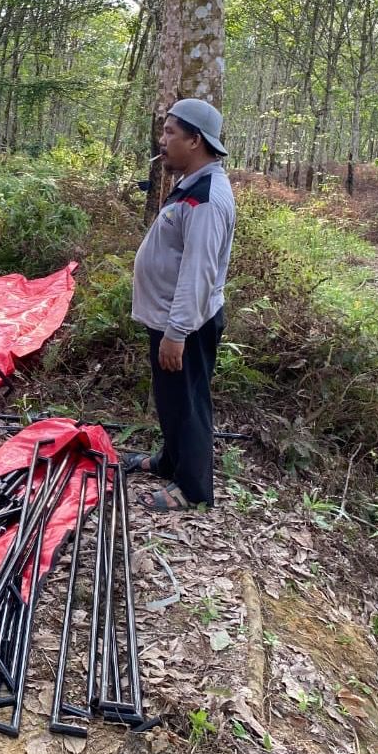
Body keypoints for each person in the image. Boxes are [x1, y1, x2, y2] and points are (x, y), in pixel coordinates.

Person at [126, 98, 236, 512]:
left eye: (171, 132)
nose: (163, 139)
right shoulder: (192, 183)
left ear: (195, 140)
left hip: (184, 323)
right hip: (171, 318)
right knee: (171, 398)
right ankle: (169, 460)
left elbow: (198, 272)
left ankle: (192, 489)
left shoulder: (206, 198)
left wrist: (177, 333)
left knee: (188, 401)